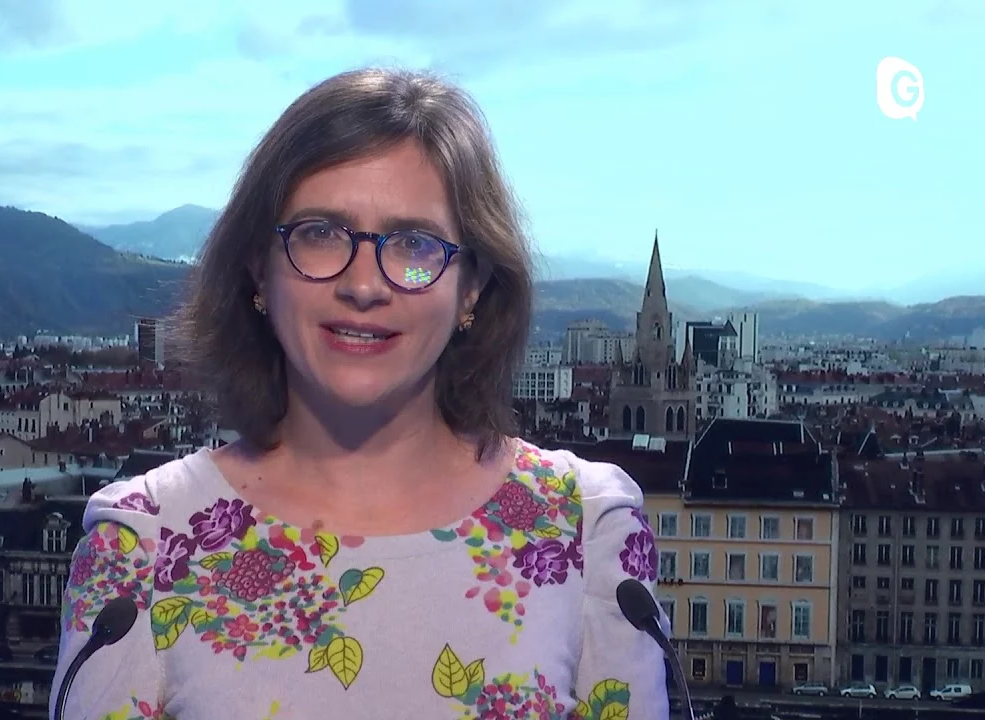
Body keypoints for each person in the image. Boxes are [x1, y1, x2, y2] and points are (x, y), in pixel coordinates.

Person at [53, 67, 669, 720]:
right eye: (320, 233)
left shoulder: (587, 530)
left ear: (472, 288)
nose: (365, 285)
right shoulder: (143, 543)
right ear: (258, 270)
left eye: (414, 244)